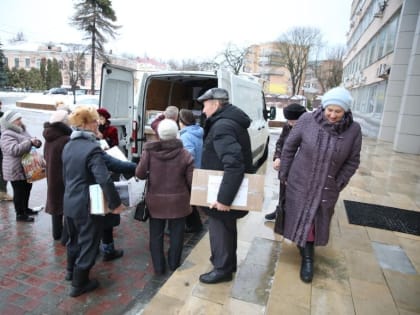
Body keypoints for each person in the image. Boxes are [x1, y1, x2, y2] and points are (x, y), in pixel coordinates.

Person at [278, 86, 362, 283]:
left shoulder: (354, 129)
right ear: (323, 107)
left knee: (314, 222)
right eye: (329, 110)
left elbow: (353, 161)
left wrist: (339, 182)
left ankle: (308, 258)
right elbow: (290, 146)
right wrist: (285, 172)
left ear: (346, 111)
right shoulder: (307, 120)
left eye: (338, 111)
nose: (332, 115)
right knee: (299, 216)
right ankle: (305, 252)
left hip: (326, 186)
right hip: (300, 181)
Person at [62, 105, 125, 297]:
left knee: (74, 241)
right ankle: (79, 284)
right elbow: (104, 179)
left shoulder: (68, 145)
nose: (97, 123)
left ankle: (70, 272)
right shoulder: (92, 149)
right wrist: (116, 204)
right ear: (86, 125)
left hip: (70, 201)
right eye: (94, 120)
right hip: (87, 204)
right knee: (89, 243)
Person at [196, 88, 253, 284]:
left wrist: (223, 199)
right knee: (227, 230)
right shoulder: (230, 121)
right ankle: (228, 264)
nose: (203, 111)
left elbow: (234, 165)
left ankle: (222, 270)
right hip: (224, 186)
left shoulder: (222, 126)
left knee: (220, 231)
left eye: (205, 105)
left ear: (215, 103)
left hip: (221, 191)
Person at [135, 119, 194, 275]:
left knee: (156, 235)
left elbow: (139, 174)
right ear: (176, 134)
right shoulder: (185, 154)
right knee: (177, 235)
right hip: (179, 202)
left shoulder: (149, 152)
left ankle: (159, 267)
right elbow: (192, 182)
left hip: (155, 201)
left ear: (159, 134)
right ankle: (174, 264)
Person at [265, 103, 306, 221]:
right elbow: (280, 142)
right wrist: (278, 157)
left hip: (300, 169)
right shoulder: (287, 126)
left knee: (296, 194)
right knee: (283, 191)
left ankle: (295, 218)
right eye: (288, 121)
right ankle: (280, 211)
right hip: (286, 166)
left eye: (293, 121)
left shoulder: (310, 129)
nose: (290, 124)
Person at [0, 110, 42, 222]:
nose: (20, 121)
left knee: (27, 188)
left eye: (20, 119)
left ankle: (25, 209)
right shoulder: (6, 134)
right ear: (11, 121)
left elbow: (30, 140)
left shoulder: (22, 130)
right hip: (15, 168)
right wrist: (29, 142)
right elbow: (13, 150)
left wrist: (36, 142)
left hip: (27, 167)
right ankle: (20, 214)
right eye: (17, 119)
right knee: (19, 191)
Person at [43, 110, 72, 242]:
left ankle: (57, 234)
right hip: (64, 176)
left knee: (55, 203)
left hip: (52, 175)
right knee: (67, 206)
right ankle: (65, 236)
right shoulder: (65, 139)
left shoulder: (49, 137)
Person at [178, 108, 204, 233]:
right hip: (196, 170)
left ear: (182, 121)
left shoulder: (186, 136)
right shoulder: (196, 132)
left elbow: (188, 156)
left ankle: (195, 225)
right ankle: (195, 224)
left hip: (189, 172)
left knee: (187, 200)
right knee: (190, 200)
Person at [0, 100, 13, 201]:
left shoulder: (3, 117)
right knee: (3, 169)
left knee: (3, 169)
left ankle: (2, 191)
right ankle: (2, 192)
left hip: (3, 147)